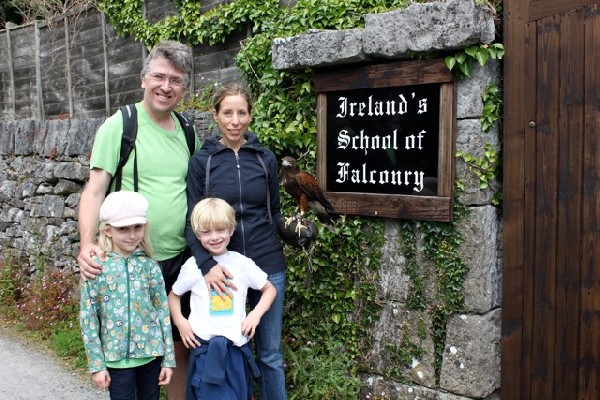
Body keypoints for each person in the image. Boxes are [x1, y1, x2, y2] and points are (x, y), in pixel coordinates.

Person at [77, 40, 200, 399]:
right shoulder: (121, 125)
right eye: (159, 76)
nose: (166, 86)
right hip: (130, 260)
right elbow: (94, 191)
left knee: (178, 346)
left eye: (175, 80)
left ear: (184, 88)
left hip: (179, 258)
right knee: (132, 351)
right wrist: (87, 244)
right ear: (143, 79)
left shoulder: (187, 131)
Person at [186, 82, 294, 399]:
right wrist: (206, 264)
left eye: (242, 113)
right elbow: (192, 221)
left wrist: (294, 231)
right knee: (227, 344)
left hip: (268, 263)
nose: (235, 121)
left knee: (270, 353)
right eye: (228, 113)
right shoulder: (202, 162)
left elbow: (274, 212)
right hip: (223, 269)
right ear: (216, 115)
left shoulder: (265, 158)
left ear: (250, 115)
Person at [169, 197, 277, 399]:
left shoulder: (242, 263)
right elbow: (174, 295)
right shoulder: (193, 266)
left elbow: (269, 290)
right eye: (206, 232)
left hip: (236, 350)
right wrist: (180, 322)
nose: (214, 237)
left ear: (231, 229)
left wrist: (254, 315)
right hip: (204, 350)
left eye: (220, 230)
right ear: (197, 234)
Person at [79, 191, 175, 399]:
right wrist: (96, 364)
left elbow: (163, 313)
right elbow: (88, 318)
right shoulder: (96, 268)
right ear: (107, 230)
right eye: (123, 229)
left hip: (151, 357)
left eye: (137, 227)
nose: (132, 235)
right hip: (116, 360)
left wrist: (168, 359)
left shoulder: (149, 266)